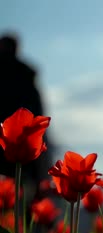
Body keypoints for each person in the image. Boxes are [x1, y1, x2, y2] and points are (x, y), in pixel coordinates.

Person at [0, 32, 54, 200]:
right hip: (25, 147)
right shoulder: (27, 77)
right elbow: (38, 115)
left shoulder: (24, 76)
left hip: (6, 141)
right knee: (23, 191)